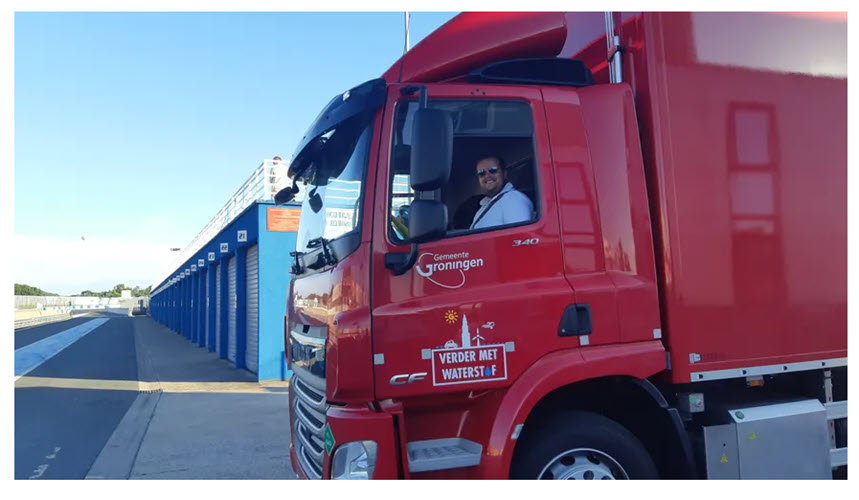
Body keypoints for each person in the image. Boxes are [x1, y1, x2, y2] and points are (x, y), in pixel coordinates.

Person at [470, 156, 533, 230]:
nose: (487, 176)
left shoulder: (513, 199)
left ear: (504, 174)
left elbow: (519, 236)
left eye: (493, 170)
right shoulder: (485, 205)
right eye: (481, 173)